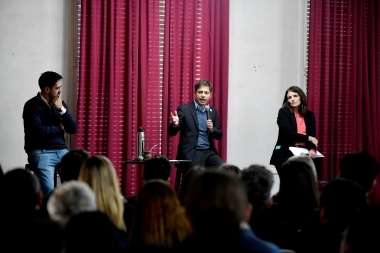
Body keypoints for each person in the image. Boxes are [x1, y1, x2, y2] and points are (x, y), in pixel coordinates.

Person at [23, 71, 77, 200]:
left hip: (62, 151)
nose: (60, 91)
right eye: (57, 88)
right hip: (41, 152)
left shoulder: (60, 104)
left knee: (76, 187)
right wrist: (59, 127)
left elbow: (72, 129)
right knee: (48, 190)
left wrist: (62, 111)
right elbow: (38, 131)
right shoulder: (31, 106)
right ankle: (49, 218)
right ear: (47, 89)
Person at [168, 79, 224, 191]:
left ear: (210, 95)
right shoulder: (184, 109)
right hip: (192, 153)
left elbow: (219, 135)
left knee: (225, 172)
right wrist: (175, 124)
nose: (203, 96)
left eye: (206, 93)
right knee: (194, 181)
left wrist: (212, 129)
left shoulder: (213, 111)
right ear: (195, 93)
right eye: (200, 92)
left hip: (209, 152)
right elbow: (172, 132)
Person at [269, 86, 318, 177]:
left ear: (301, 97)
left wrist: (312, 149)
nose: (292, 99)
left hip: (303, 152)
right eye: (289, 97)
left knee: (303, 184)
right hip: (285, 152)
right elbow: (287, 133)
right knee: (289, 185)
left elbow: (312, 135)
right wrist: (309, 138)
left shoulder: (310, 115)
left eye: (295, 96)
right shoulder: (284, 112)